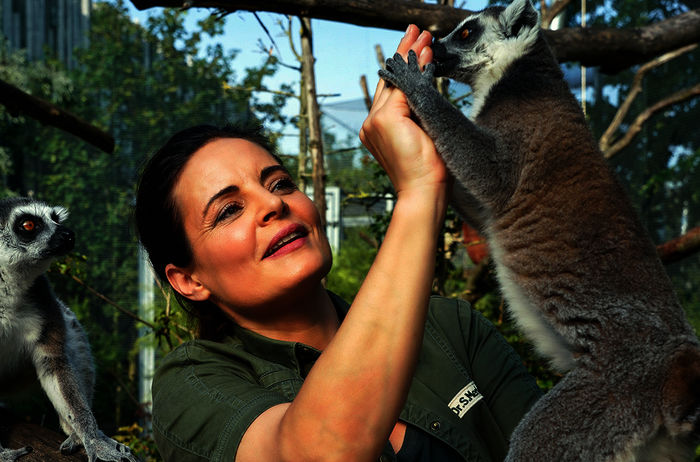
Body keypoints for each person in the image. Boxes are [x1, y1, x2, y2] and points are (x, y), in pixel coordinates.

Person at [134, 26, 542, 462]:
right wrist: (421, 191)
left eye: (281, 183)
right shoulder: (193, 384)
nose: (273, 203)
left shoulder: (450, 328)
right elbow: (319, 453)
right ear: (188, 280)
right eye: (229, 210)